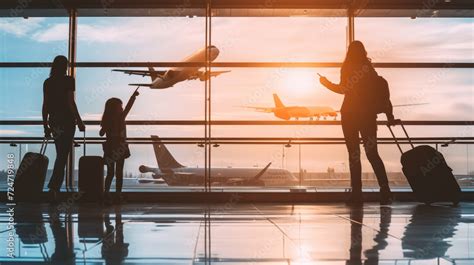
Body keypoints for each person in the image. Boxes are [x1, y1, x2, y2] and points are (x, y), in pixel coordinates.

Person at [319, 41, 395, 205]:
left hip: (350, 115)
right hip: (368, 117)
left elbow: (343, 89)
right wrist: (389, 116)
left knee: (354, 155)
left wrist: (326, 83)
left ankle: (357, 194)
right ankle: (385, 190)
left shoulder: (347, 67)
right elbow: (381, 93)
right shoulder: (369, 69)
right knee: (373, 154)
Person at [43, 55, 85, 200]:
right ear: (65, 66)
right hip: (67, 121)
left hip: (54, 121)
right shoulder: (68, 80)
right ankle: (54, 188)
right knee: (62, 155)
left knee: (60, 154)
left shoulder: (48, 82)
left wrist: (45, 125)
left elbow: (45, 105)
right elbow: (70, 102)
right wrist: (79, 121)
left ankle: (54, 189)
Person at [100, 89, 139, 201]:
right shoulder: (121, 118)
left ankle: (106, 193)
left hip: (109, 148)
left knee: (110, 173)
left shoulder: (106, 120)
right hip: (120, 148)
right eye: (120, 107)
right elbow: (128, 108)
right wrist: (133, 96)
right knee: (119, 173)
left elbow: (102, 133)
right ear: (115, 108)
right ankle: (118, 194)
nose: (122, 108)